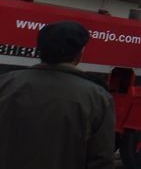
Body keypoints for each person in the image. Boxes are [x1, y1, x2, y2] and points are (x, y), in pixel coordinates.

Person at [0, 21, 115, 169]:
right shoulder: (97, 98)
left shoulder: (5, 83)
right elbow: (101, 160)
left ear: (40, 50)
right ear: (79, 54)